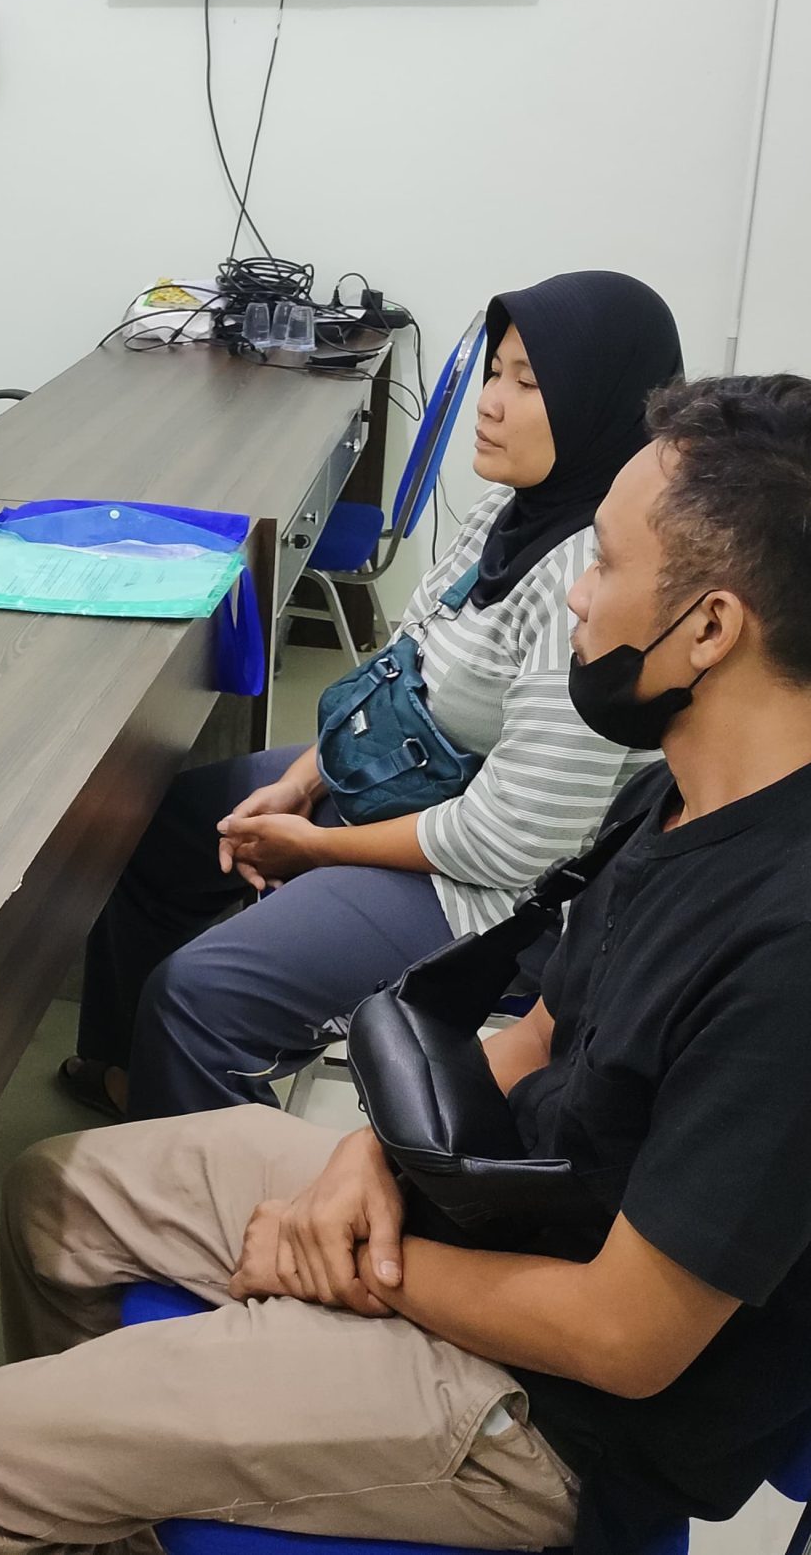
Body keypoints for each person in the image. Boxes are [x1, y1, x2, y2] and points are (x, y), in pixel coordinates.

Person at [0, 373, 811, 1555]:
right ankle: (122, 1503)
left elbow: (623, 1336)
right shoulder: (684, 795)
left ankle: (94, 1481)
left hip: (558, 1421)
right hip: (500, 1213)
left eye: (605, 563)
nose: (578, 595)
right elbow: (540, 1036)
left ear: (711, 627)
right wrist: (370, 1154)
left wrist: (360, 1269)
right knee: (54, 1197)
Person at [65, 270, 685, 1120]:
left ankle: (197, 1173)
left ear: (603, 405)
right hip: (408, 778)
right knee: (153, 829)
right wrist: (305, 779)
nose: (490, 403)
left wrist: (315, 848)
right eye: (494, 373)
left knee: (198, 996)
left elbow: (511, 847)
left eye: (529, 385)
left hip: (492, 896)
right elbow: (400, 661)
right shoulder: (511, 511)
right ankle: (132, 1079)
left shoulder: (590, 578)